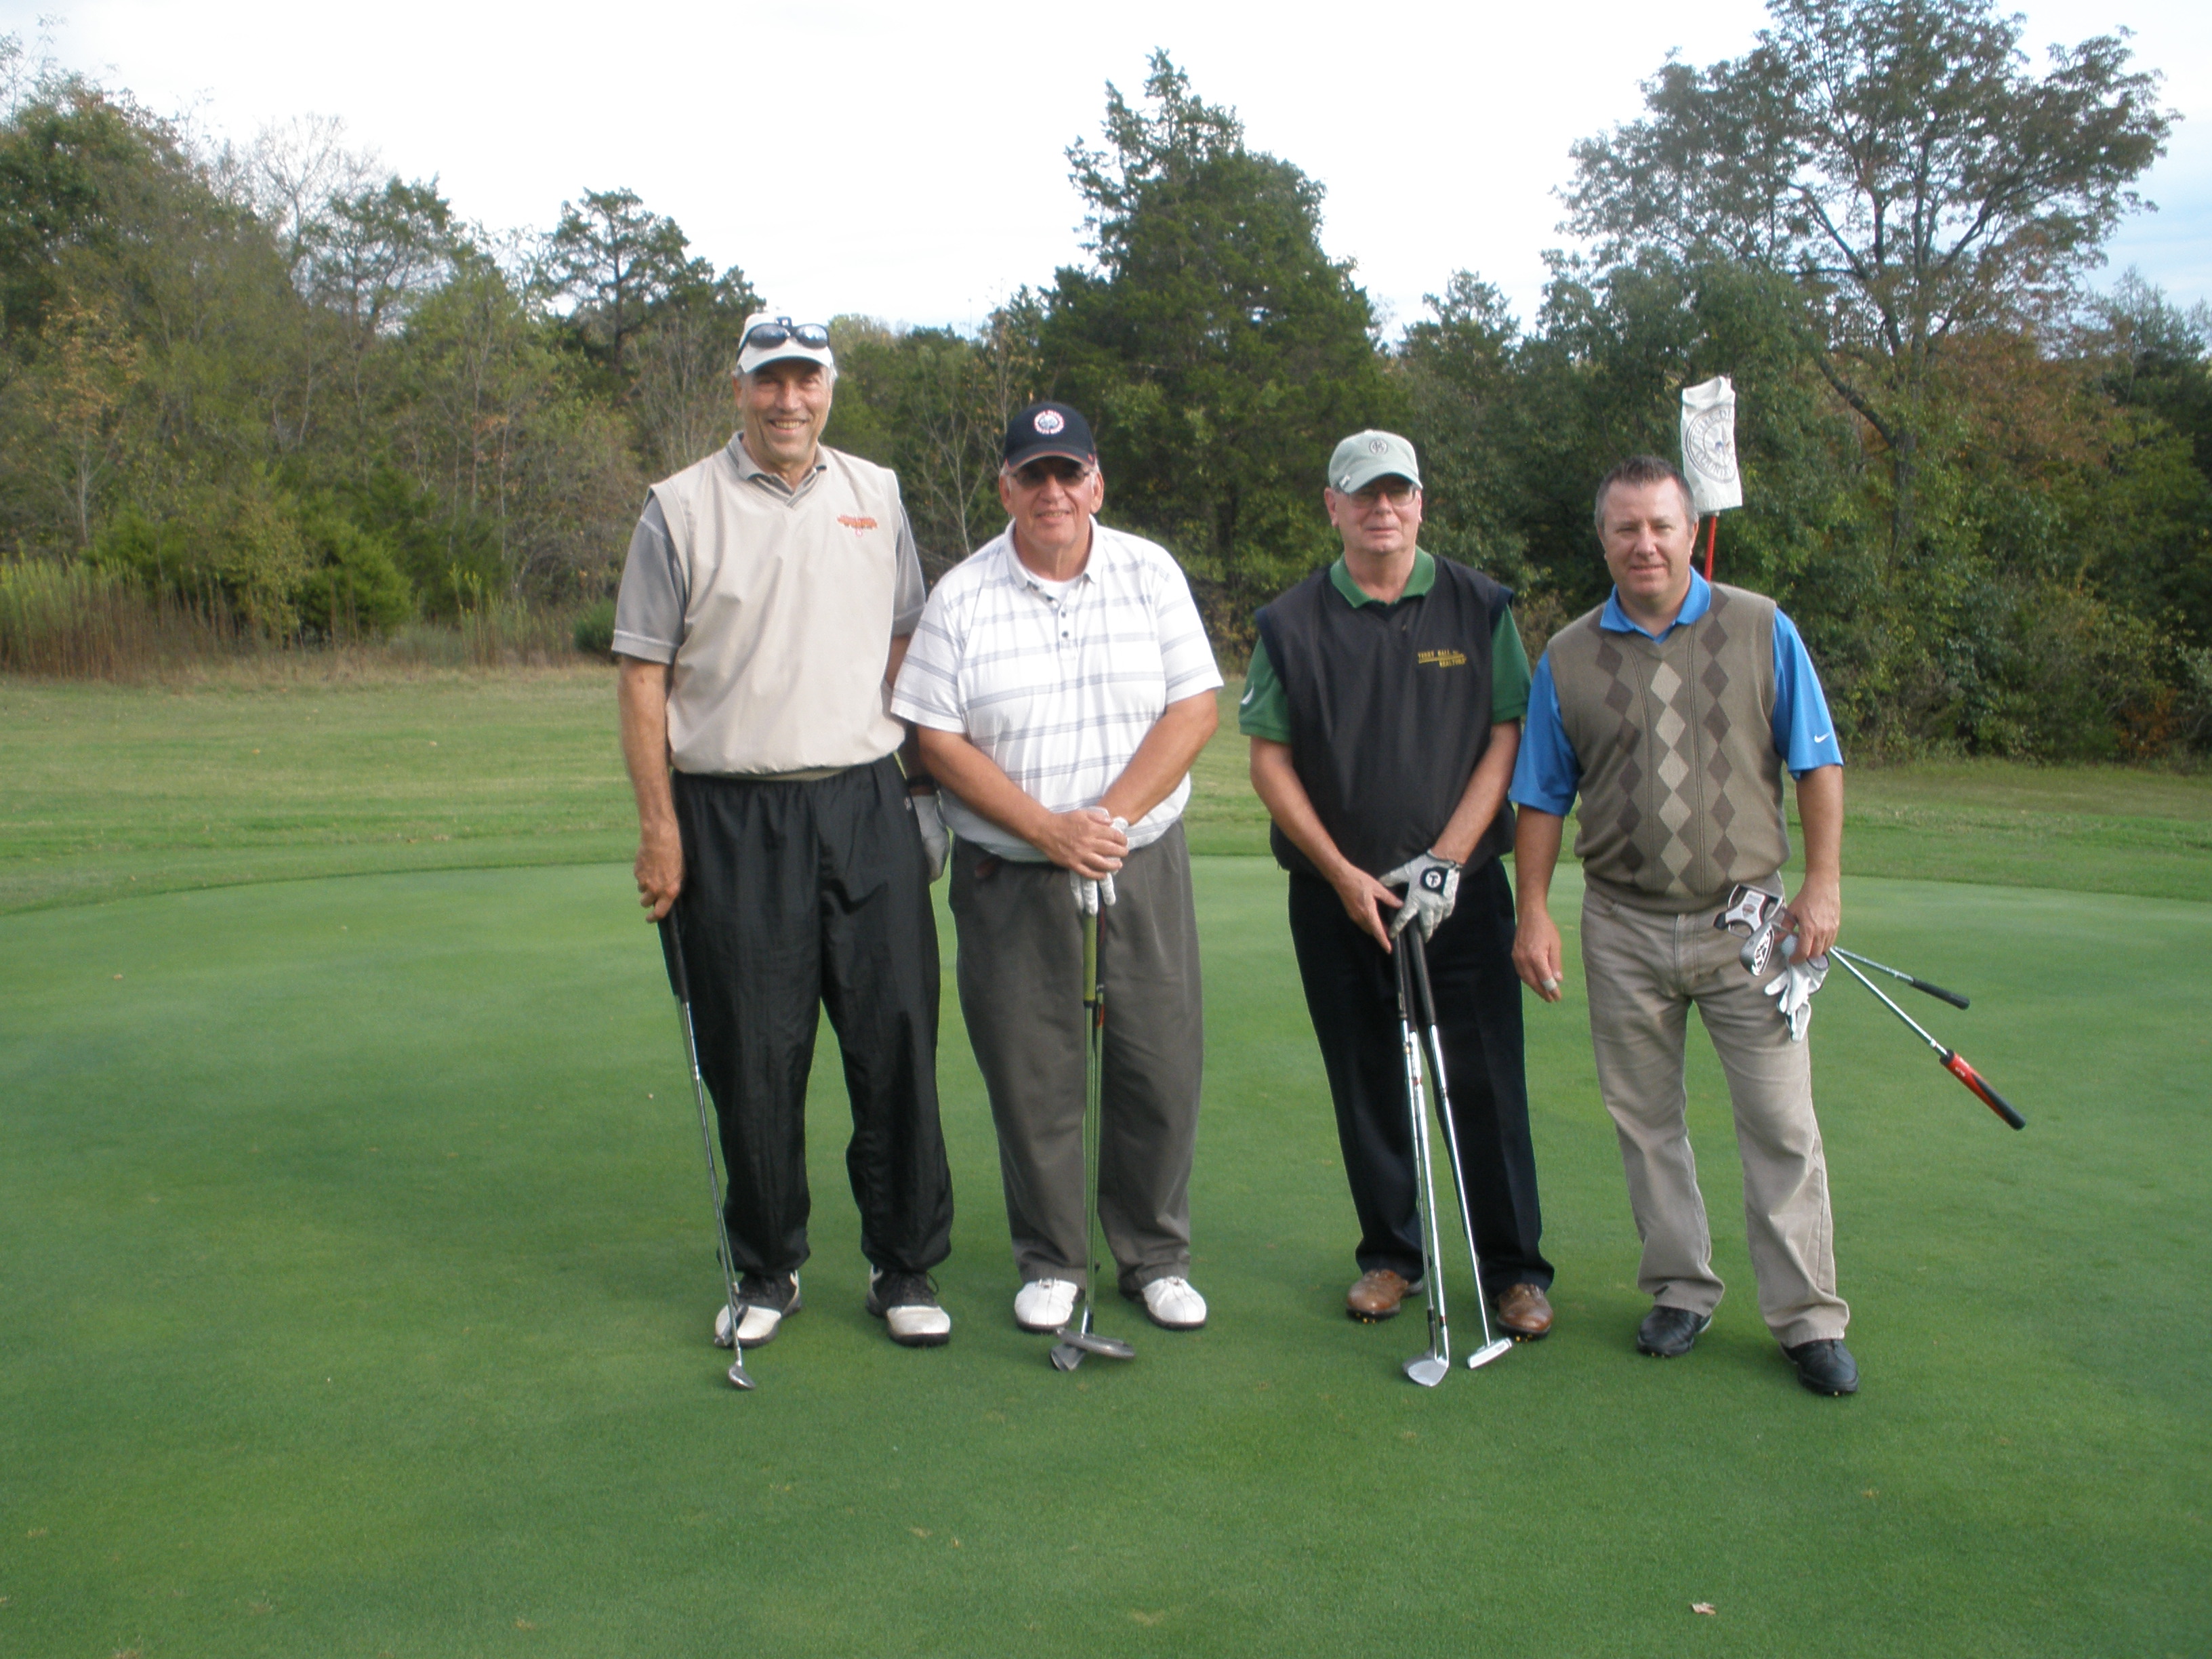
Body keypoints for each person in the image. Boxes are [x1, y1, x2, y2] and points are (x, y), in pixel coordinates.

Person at [611, 314, 956, 1353]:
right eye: (771, 383)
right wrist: (659, 828)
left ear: (830, 391)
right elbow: (642, 673)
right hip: (729, 812)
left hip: (863, 800)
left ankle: (905, 1266)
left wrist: (921, 783)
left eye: (807, 382)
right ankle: (768, 1268)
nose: (789, 401)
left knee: (894, 1037)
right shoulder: (678, 507)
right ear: (740, 389)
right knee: (756, 1053)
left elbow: (907, 635)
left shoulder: (877, 493)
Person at [1509, 454, 1857, 1396]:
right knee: (1645, 1122)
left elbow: (1817, 764)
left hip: (1751, 925)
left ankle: (1807, 1319)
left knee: (1781, 1124)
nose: (1644, 543)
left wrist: (1820, 889)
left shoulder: (1760, 626)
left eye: (1661, 525)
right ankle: (1679, 1289)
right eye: (1626, 527)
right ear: (1604, 538)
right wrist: (1532, 908)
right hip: (1621, 926)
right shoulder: (1569, 654)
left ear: (1688, 527)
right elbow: (1540, 796)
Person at [891, 401, 1221, 1334]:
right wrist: (1047, 829)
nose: (1052, 491)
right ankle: (1052, 1260)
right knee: (1032, 1071)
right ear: (1005, 487)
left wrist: (1104, 822)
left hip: (1138, 859)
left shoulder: (1149, 573)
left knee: (1157, 1061)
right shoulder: (961, 593)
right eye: (1032, 475)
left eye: (1067, 472)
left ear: (1096, 482)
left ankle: (1154, 1256)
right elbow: (934, 736)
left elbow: (1194, 708)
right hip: (1010, 874)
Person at [1243, 430, 1555, 1338]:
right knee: (1367, 1076)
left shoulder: (1478, 605)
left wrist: (1447, 860)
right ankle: (1390, 1258)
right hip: (1339, 897)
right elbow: (1269, 760)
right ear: (1333, 507)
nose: (1384, 510)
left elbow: (1508, 734)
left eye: (1400, 493)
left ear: (1421, 503)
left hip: (1462, 892)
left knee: (1487, 1081)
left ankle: (1515, 1272)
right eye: (1364, 495)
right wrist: (1340, 871)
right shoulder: (1289, 623)